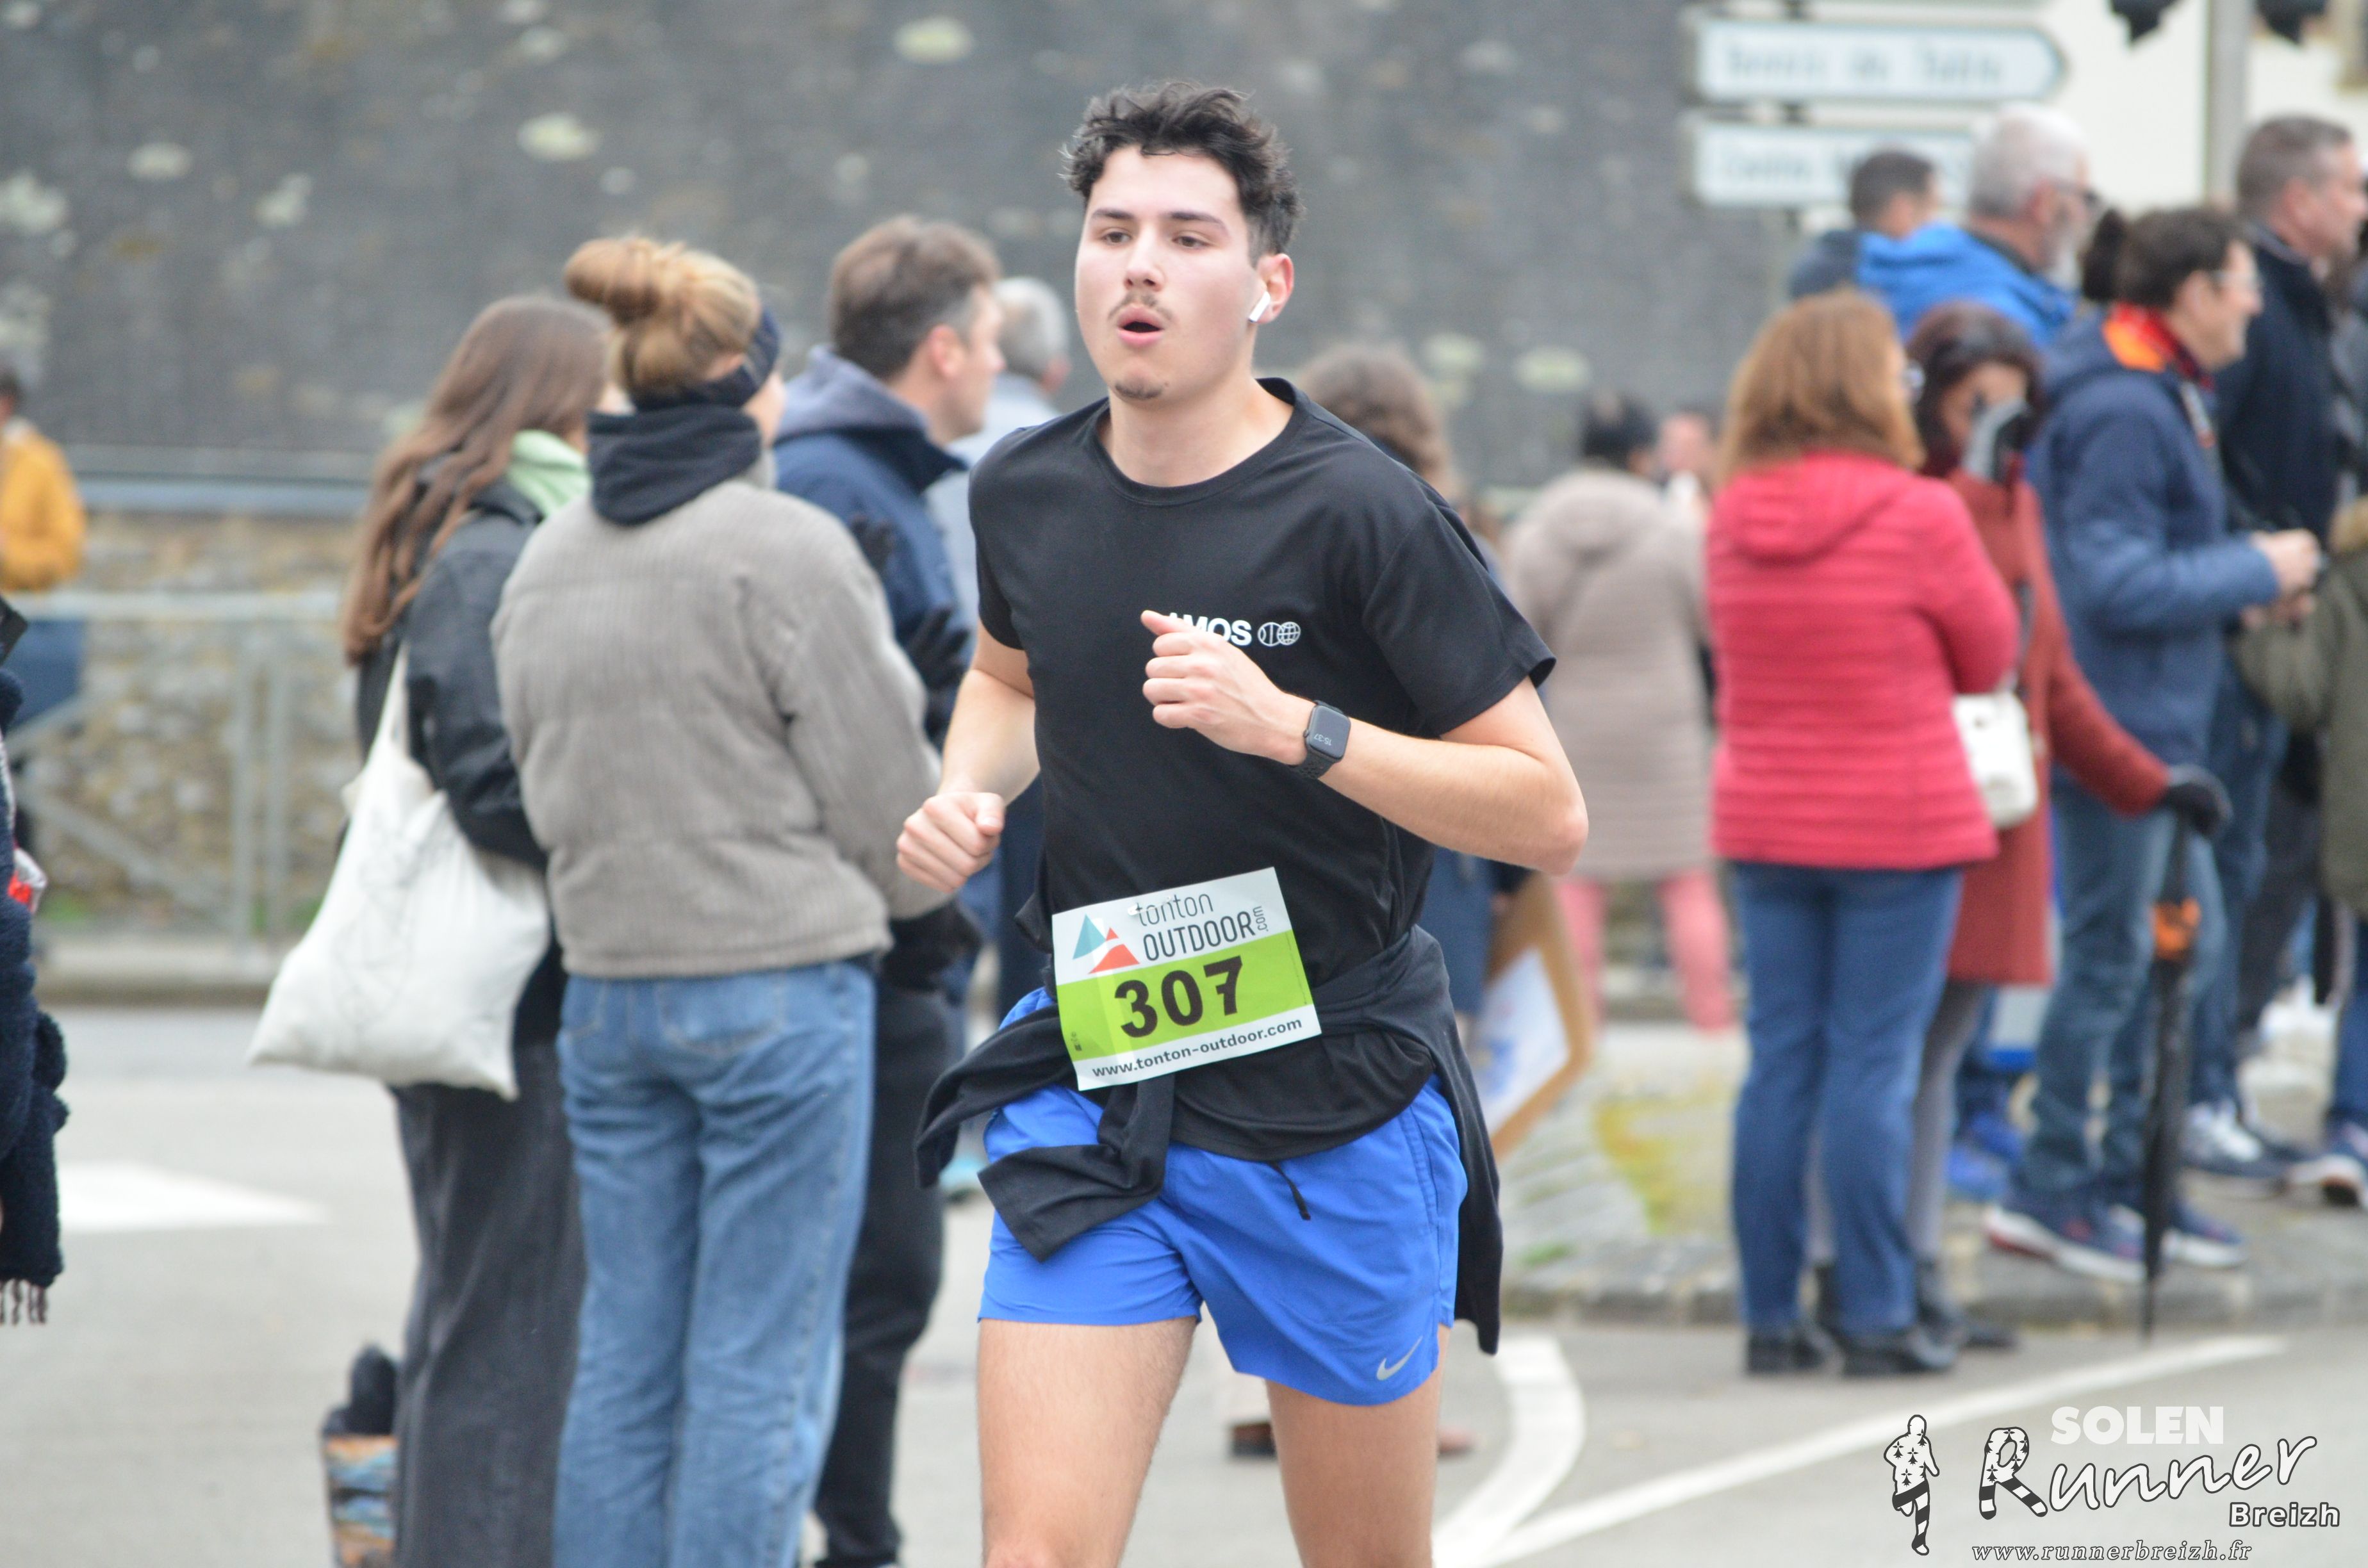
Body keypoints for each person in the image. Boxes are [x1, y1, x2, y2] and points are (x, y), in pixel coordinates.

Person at [897, 82, 1583, 1568]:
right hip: (1102, 1071)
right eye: (1112, 232)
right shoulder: (1025, 488)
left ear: (1268, 283)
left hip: (1331, 1102)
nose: (1139, 266)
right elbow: (1009, 678)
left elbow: (1549, 811)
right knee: (1034, 1553)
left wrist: (1302, 730)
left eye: (1187, 236)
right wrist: (968, 787)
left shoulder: (1365, 513)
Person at [493, 235, 946, 1568]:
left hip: (608, 989)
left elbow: (533, 780)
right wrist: (922, 899)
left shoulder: (546, 559)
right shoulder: (784, 548)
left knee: (625, 1357)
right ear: (753, 381)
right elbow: (891, 803)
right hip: (778, 985)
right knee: (761, 1362)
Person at [1804, 304, 2215, 1355]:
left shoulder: (2010, 496)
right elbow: (1982, 632)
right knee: (1883, 1059)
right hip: (1917, 813)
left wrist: (2147, 782)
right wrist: (1981, 487)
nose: (1994, 423)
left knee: (1936, 1055)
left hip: (1993, 812)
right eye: (1973, 403)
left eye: (2009, 406)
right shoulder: (1924, 502)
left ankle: (1914, 1266)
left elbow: (2047, 667)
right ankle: (1863, 1272)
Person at [1989, 208, 2319, 1282]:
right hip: (2121, 734)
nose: (2257, 303)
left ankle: (2135, 1180)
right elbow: (2114, 581)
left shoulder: (2156, 383)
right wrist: (2255, 570)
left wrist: (2238, 590)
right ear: (2191, 292)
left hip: (2152, 722)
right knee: (2117, 960)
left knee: (2176, 954)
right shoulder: (2129, 403)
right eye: (2241, 282)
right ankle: (2058, 1187)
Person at [339, 296, 604, 1568]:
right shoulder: (490, 547)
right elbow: (488, 779)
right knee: (510, 1331)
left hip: (478, 990)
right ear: (558, 405)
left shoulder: (450, 528)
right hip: (511, 999)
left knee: (472, 1314)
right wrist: (611, 824)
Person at [1708, 291, 2019, 1378]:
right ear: (1860, 384)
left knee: (1778, 1066)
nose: (1905, 384)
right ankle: (1878, 1312)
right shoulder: (1919, 513)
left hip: (1766, 821)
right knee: (1873, 1069)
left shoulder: (1731, 512)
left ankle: (1770, 1316)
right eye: (1894, 368)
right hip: (1898, 824)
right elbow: (1990, 654)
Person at [772, 215, 1003, 1568]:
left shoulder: (859, 472)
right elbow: (858, 734)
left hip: (886, 936)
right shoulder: (838, 483)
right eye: (992, 338)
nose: (1003, 364)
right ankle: (851, 1539)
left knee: (879, 1275)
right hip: (869, 940)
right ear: (944, 349)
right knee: (873, 1277)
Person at [2187, 117, 2368, 1184]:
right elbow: (2208, 465)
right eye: (2350, 189)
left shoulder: (2302, 305)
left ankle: (2220, 1077)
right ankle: (2202, 1092)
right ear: (2298, 201)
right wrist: (2261, 563)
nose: (2362, 209)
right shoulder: (2258, 312)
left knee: (2259, 866)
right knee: (2229, 871)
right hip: (2242, 627)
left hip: (2270, 611)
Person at [1506, 391, 1731, 1033]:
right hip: (1667, 731)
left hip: (1576, 731)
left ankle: (1582, 1032)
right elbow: (1712, 624)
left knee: (1578, 884)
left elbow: (1515, 637)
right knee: (1688, 883)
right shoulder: (1675, 530)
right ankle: (1713, 1026)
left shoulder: (1537, 531)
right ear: (1639, 455)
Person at [930, 275, 1076, 1020]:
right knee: (1045, 939)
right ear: (1055, 371)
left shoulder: (935, 451)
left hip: (946, 721)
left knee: (953, 928)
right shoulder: (1087, 463)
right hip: (1056, 731)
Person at [2234, 497, 2368, 1205]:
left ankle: (2352, 1128)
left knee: (2364, 981)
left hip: (2359, 818)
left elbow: (2302, 692)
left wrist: (2250, 631)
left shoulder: (2349, 581)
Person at [1857, 104, 2094, 345]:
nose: (2084, 215)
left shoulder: (1895, 267)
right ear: (2046, 202)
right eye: (2084, 198)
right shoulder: (2007, 329)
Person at [0, 358, 88, 783]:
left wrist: (8, 554)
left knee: (12, 766)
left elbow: (64, 554)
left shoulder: (38, 463)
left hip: (12, 635)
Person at [1789, 148, 1941, 300]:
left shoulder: (1815, 267)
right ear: (1902, 208)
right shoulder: (1913, 282)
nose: (1932, 222)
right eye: (1929, 208)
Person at [1656, 404, 1718, 524]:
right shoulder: (1647, 499)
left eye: (1688, 448)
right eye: (1671, 447)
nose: (1676, 459)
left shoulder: (1730, 500)